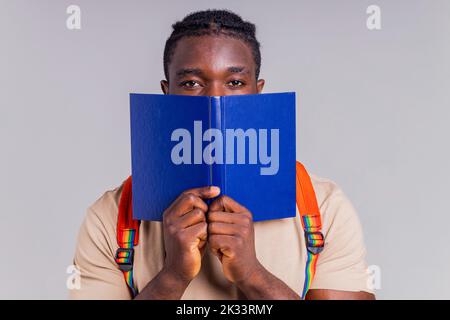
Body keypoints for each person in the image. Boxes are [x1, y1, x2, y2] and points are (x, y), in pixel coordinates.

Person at [70, 9, 375, 300]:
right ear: (167, 92)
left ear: (258, 91)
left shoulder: (323, 207)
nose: (215, 98)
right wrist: (173, 275)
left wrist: (253, 274)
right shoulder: (110, 217)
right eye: (192, 83)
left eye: (234, 83)